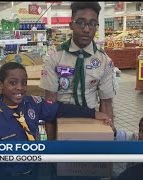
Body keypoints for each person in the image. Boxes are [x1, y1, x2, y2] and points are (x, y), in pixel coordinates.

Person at [0, 62, 111, 180]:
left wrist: (93, 113)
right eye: (13, 83)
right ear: (0, 85)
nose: (20, 87)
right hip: (11, 175)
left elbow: (60, 109)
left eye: (24, 82)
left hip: (35, 170)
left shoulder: (31, 103)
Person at [39, 2, 116, 140]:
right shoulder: (55, 57)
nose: (86, 29)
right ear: (71, 25)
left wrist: (109, 136)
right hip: (61, 122)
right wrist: (51, 144)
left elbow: (106, 103)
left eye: (92, 23)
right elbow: (50, 101)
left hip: (93, 122)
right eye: (81, 22)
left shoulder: (104, 61)